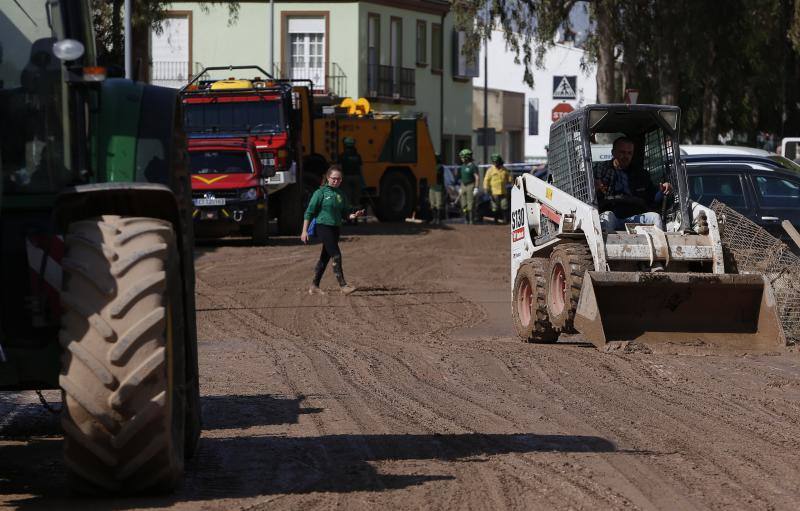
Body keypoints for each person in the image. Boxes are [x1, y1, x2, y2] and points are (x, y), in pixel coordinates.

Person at [301, 166, 365, 295]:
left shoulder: (341, 194)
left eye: (339, 179)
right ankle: (343, 286)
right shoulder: (320, 193)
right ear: (328, 178)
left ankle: (314, 286)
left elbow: (345, 214)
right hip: (323, 226)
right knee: (336, 254)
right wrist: (304, 231)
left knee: (325, 257)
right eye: (333, 178)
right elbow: (309, 212)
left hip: (336, 228)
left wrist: (354, 215)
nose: (336, 181)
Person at [593, 136, 672, 231]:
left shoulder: (641, 174)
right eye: (622, 152)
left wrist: (662, 190)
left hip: (635, 216)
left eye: (629, 153)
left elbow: (652, 198)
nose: (626, 156)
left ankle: (659, 245)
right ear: (613, 153)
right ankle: (605, 245)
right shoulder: (600, 170)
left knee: (655, 217)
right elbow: (588, 195)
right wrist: (595, 188)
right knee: (606, 217)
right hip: (612, 214)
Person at [483, 153, 513, 223]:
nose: (495, 163)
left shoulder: (504, 170)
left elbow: (510, 179)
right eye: (494, 162)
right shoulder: (490, 170)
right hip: (494, 192)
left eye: (496, 162)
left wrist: (511, 179)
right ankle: (495, 220)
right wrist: (486, 188)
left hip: (503, 192)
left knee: (504, 206)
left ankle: (505, 220)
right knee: (495, 207)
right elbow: (486, 180)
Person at [339, 137, 365, 217]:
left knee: (348, 199)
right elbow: (360, 169)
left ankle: (349, 217)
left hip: (346, 178)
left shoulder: (342, 156)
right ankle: (356, 218)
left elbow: (340, 168)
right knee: (356, 200)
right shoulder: (358, 156)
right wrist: (363, 181)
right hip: (357, 178)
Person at [457, 148, 480, 224]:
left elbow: (477, 177)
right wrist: (460, 187)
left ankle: (471, 220)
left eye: (462, 157)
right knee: (463, 204)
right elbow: (461, 178)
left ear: (467, 157)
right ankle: (465, 219)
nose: (461, 159)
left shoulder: (473, 166)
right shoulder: (462, 166)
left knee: (470, 203)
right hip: (463, 185)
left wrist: (476, 188)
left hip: (471, 185)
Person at [429, 153, 446, 225]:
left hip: (438, 187)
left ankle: (439, 219)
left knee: (439, 204)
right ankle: (434, 218)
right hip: (432, 187)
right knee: (432, 204)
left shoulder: (440, 167)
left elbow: (437, 174)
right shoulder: (431, 166)